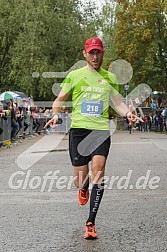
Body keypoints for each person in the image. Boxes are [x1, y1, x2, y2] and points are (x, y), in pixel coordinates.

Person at [44, 37, 142, 239]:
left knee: (98, 172)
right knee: (80, 180)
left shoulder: (109, 78)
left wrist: (128, 113)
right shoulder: (75, 75)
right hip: (79, 131)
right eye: (91, 53)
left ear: (103, 53)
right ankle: (83, 188)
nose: (95, 56)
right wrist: (55, 114)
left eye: (98, 52)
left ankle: (90, 222)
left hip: (100, 131)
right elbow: (59, 100)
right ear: (84, 54)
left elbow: (118, 103)